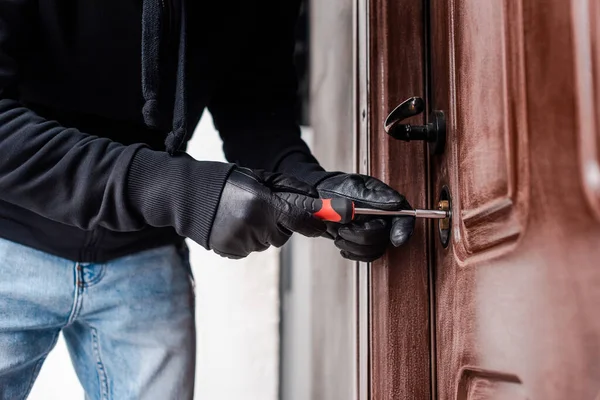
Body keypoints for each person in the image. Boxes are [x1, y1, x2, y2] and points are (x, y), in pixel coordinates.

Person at [0, 1, 414, 398]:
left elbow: (255, 107)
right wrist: (177, 190)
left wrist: (313, 185)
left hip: (146, 259)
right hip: (11, 244)